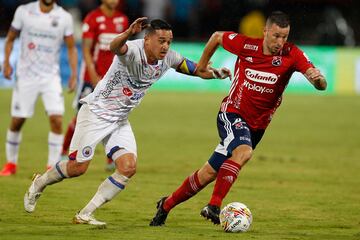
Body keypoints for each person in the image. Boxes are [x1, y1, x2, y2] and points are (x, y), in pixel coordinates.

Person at [23, 17, 231, 227]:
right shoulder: (131, 49)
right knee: (78, 168)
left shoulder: (169, 58)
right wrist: (128, 32)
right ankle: (40, 182)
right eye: (161, 41)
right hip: (95, 113)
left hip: (119, 120)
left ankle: (85, 214)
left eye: (169, 41)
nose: (165, 46)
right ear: (147, 39)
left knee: (128, 167)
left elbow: (196, 69)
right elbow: (115, 47)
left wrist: (216, 74)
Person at [149, 11, 327, 226]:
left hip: (257, 127)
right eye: (276, 36)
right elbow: (216, 36)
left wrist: (318, 80)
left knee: (208, 173)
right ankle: (214, 205)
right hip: (232, 113)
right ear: (265, 31)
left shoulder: (292, 54)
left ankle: (165, 205)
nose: (280, 42)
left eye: (285, 36)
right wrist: (202, 66)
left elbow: (319, 83)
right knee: (244, 152)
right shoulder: (246, 45)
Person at [0, 0, 78, 176]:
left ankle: (52, 166)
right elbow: (10, 39)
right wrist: (6, 62)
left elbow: (72, 47)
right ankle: (11, 163)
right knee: (17, 121)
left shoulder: (64, 17)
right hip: (26, 76)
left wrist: (73, 74)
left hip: (51, 77)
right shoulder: (24, 11)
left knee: (57, 119)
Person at [61, 0, 129, 171]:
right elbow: (86, 49)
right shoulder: (92, 18)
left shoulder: (123, 20)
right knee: (80, 115)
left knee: (114, 116)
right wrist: (92, 73)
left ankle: (111, 157)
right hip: (91, 76)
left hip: (113, 79)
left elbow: (124, 50)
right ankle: (64, 150)